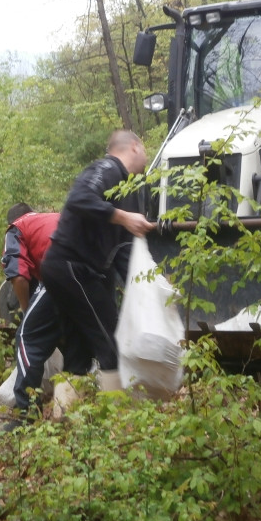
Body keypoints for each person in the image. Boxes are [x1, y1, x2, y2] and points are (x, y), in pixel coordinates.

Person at [40, 129, 155, 391]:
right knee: (111, 342)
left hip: (75, 270)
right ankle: (115, 423)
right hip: (71, 266)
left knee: (79, 349)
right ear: (134, 147)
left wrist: (145, 291)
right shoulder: (108, 167)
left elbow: (125, 252)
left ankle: (68, 416)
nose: (146, 156)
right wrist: (124, 217)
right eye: (144, 150)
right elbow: (79, 199)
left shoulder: (131, 190)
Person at [0, 203, 90, 424]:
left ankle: (27, 415)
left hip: (61, 273)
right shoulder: (56, 218)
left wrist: (26, 311)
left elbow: (19, 277)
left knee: (26, 337)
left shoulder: (17, 228)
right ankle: (72, 412)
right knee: (74, 342)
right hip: (93, 278)